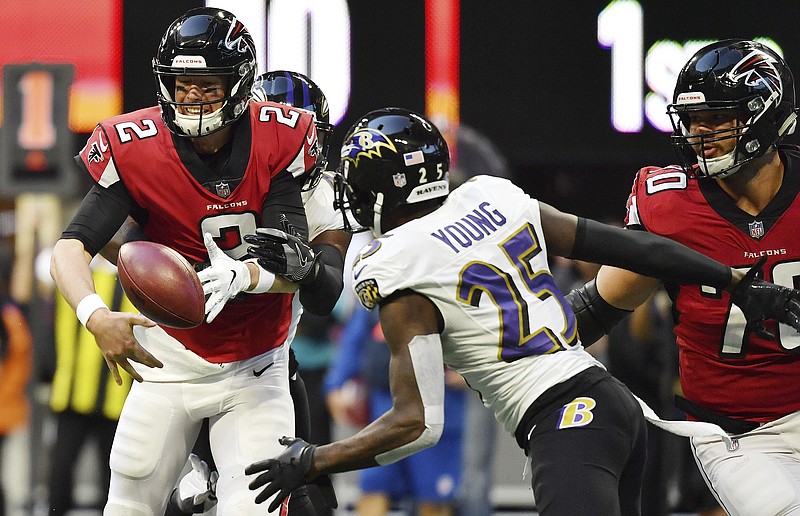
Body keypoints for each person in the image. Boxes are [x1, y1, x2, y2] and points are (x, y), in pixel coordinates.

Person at [244, 107, 800, 516]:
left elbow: (417, 424)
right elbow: (629, 246)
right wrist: (730, 278)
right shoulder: (490, 196)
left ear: (381, 191)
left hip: (567, 419)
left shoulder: (394, 268)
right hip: (608, 404)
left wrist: (317, 459)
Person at [49, 8, 324, 515]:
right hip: (168, 360)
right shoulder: (135, 146)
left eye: (206, 84)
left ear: (239, 85)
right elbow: (70, 247)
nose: (191, 97)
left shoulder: (279, 137)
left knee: (254, 509)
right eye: (182, 84)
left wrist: (241, 275)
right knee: (127, 502)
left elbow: (292, 260)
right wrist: (96, 315)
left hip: (255, 364)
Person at [563, 39, 800, 516]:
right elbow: (596, 308)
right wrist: (513, 342)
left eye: (716, 118)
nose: (699, 132)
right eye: (692, 119)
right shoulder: (672, 205)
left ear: (765, 114)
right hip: (741, 436)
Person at [159, 69, 349, 516]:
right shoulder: (194, 178)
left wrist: (308, 268)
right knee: (172, 496)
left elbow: (326, 298)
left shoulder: (321, 194)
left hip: (270, 366)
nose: (295, 152)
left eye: (307, 136)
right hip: (186, 366)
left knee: (306, 498)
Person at [325, 304, 465, 516]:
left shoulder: (450, 285)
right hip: (386, 404)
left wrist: (471, 370)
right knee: (373, 489)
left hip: (438, 404)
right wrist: (335, 384)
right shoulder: (380, 287)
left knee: (434, 498)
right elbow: (356, 335)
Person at [47, 256, 136, 515]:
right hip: (71, 394)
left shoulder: (131, 280)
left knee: (114, 477)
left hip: (117, 397)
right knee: (60, 470)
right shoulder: (69, 276)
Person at [0, 242, 32, 516]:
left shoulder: (12, 315)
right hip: (10, 413)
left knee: (12, 490)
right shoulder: (13, 316)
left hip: (10, 415)